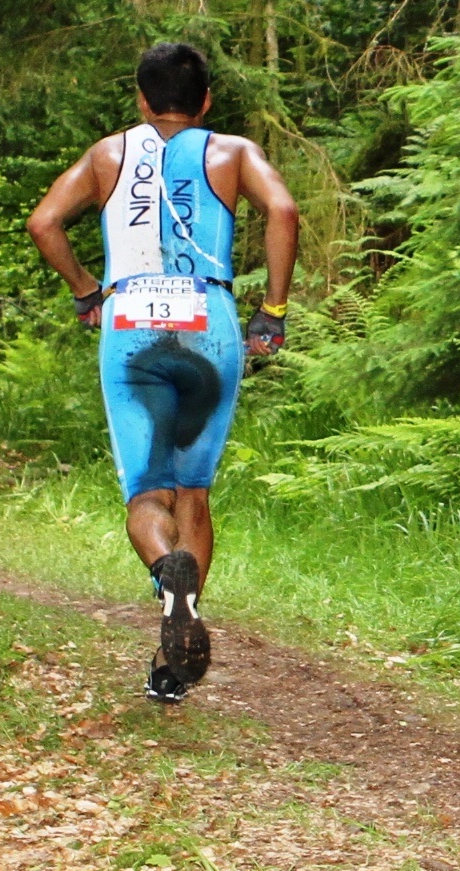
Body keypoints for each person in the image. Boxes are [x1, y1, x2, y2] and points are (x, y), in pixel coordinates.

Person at [27, 42, 299, 704]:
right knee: (194, 494)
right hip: (207, 316)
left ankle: (164, 572)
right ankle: (180, 644)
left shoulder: (107, 155)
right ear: (206, 100)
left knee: (147, 492)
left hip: (132, 320)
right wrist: (273, 310)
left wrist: (86, 288)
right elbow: (284, 212)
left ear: (142, 99)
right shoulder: (231, 151)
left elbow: (44, 222)